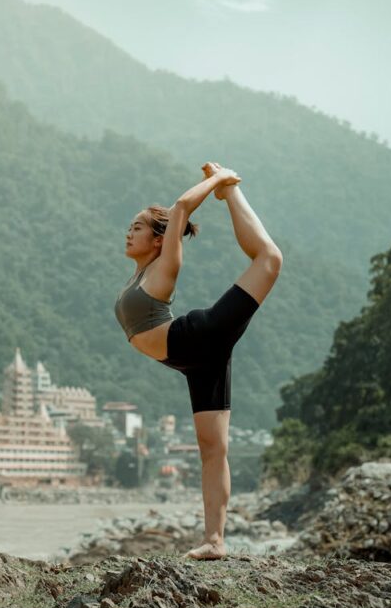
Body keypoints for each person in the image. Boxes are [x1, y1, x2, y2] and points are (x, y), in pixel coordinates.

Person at [114, 162, 282, 560]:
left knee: (270, 259)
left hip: (198, 337)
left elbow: (181, 206)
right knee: (213, 450)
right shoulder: (137, 277)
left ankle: (232, 193)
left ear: (159, 239)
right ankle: (214, 541)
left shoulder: (164, 265)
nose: (129, 230)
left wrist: (219, 181)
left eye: (138, 226)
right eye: (131, 225)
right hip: (193, 361)